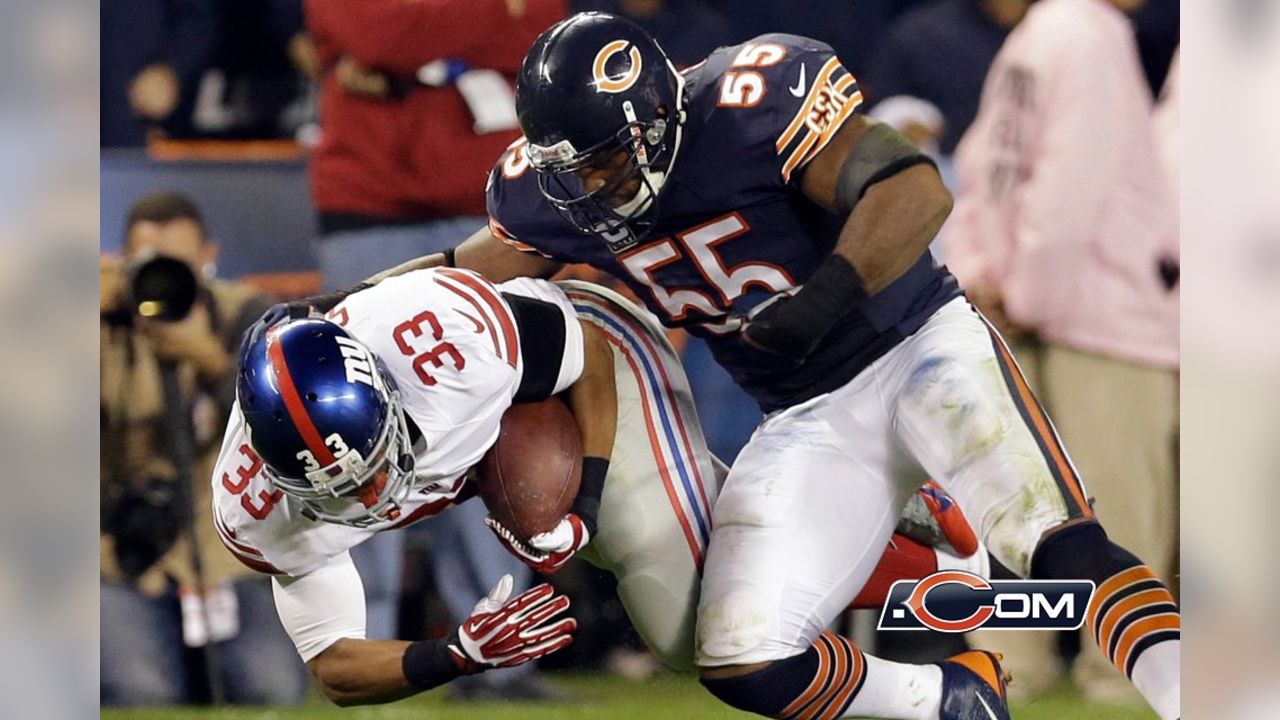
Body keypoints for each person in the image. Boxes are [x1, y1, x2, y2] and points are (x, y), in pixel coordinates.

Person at [352, 13, 1182, 720]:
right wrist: (341, 314)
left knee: (1057, 542)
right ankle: (957, 699)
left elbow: (914, 189)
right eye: (570, 168)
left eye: (601, 159)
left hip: (918, 346)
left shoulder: (749, 101)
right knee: (742, 658)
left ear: (653, 119)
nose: (587, 187)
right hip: (803, 415)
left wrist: (820, 301)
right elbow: (466, 270)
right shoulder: (561, 194)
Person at [221, 268, 980, 705]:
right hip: (499, 437)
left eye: (378, 462)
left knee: (701, 625)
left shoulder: (446, 347)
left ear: (387, 391)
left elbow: (583, 348)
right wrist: (456, 653)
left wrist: (584, 501)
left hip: (588, 361)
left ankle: (940, 665)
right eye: (341, 491)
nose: (373, 497)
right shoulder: (252, 511)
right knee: (713, 604)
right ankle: (919, 571)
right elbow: (336, 668)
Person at [302, 3, 565, 679]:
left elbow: (539, 36)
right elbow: (374, 32)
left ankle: (503, 666)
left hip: (486, 206)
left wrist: (408, 56)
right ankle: (360, 650)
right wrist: (465, 37)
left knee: (491, 427)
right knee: (351, 431)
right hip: (369, 206)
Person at [945, 0, 1179, 705]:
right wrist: (1027, 292)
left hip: (1019, 308)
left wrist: (984, 274)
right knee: (1121, 512)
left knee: (1011, 509)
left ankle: (1007, 673)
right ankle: (1122, 678)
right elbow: (1071, 181)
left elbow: (984, 166)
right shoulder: (1090, 34)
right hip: (1099, 318)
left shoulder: (1037, 35)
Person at [100, 191, 307, 705]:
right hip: (118, 559)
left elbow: (289, 426)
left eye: (179, 263)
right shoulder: (101, 322)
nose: (162, 280)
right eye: (147, 264)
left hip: (226, 558)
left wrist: (211, 361)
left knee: (271, 690)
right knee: (140, 693)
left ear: (207, 259)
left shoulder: (249, 316)